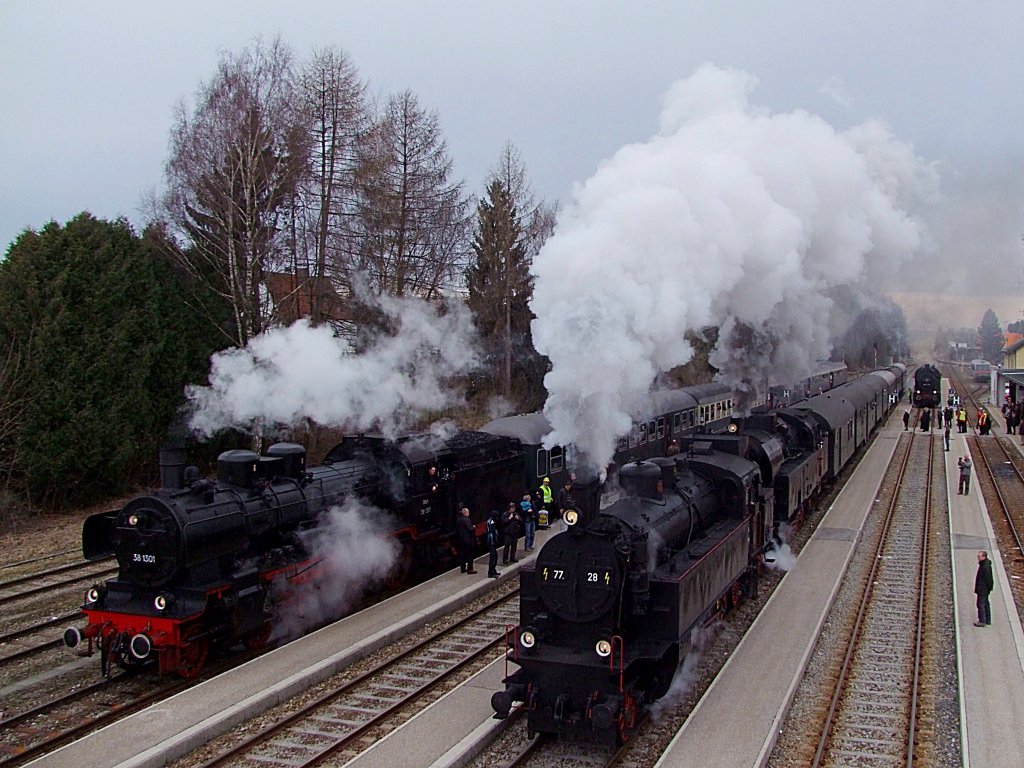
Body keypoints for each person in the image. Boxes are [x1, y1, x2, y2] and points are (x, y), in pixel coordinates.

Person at [974, 550, 994, 626]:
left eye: (979, 556)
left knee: (980, 604)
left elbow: (988, 579)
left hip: (983, 589)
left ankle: (982, 621)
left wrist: (988, 587)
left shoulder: (985, 567)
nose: (978, 558)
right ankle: (987, 620)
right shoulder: (985, 565)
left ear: (983, 557)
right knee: (985, 603)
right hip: (984, 588)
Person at [455, 507, 477, 574]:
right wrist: (473, 527)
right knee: (470, 555)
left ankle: (463, 568)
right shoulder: (467, 520)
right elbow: (470, 529)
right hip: (468, 540)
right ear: (465, 513)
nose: (469, 514)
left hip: (460, 540)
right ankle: (470, 569)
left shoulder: (458, 520)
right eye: (468, 512)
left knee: (462, 555)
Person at [485, 510, 501, 578]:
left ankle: (493, 570)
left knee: (495, 556)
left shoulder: (491, 521)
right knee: (493, 557)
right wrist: (494, 541)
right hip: (491, 542)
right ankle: (491, 572)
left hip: (492, 541)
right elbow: (492, 533)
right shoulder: (491, 523)